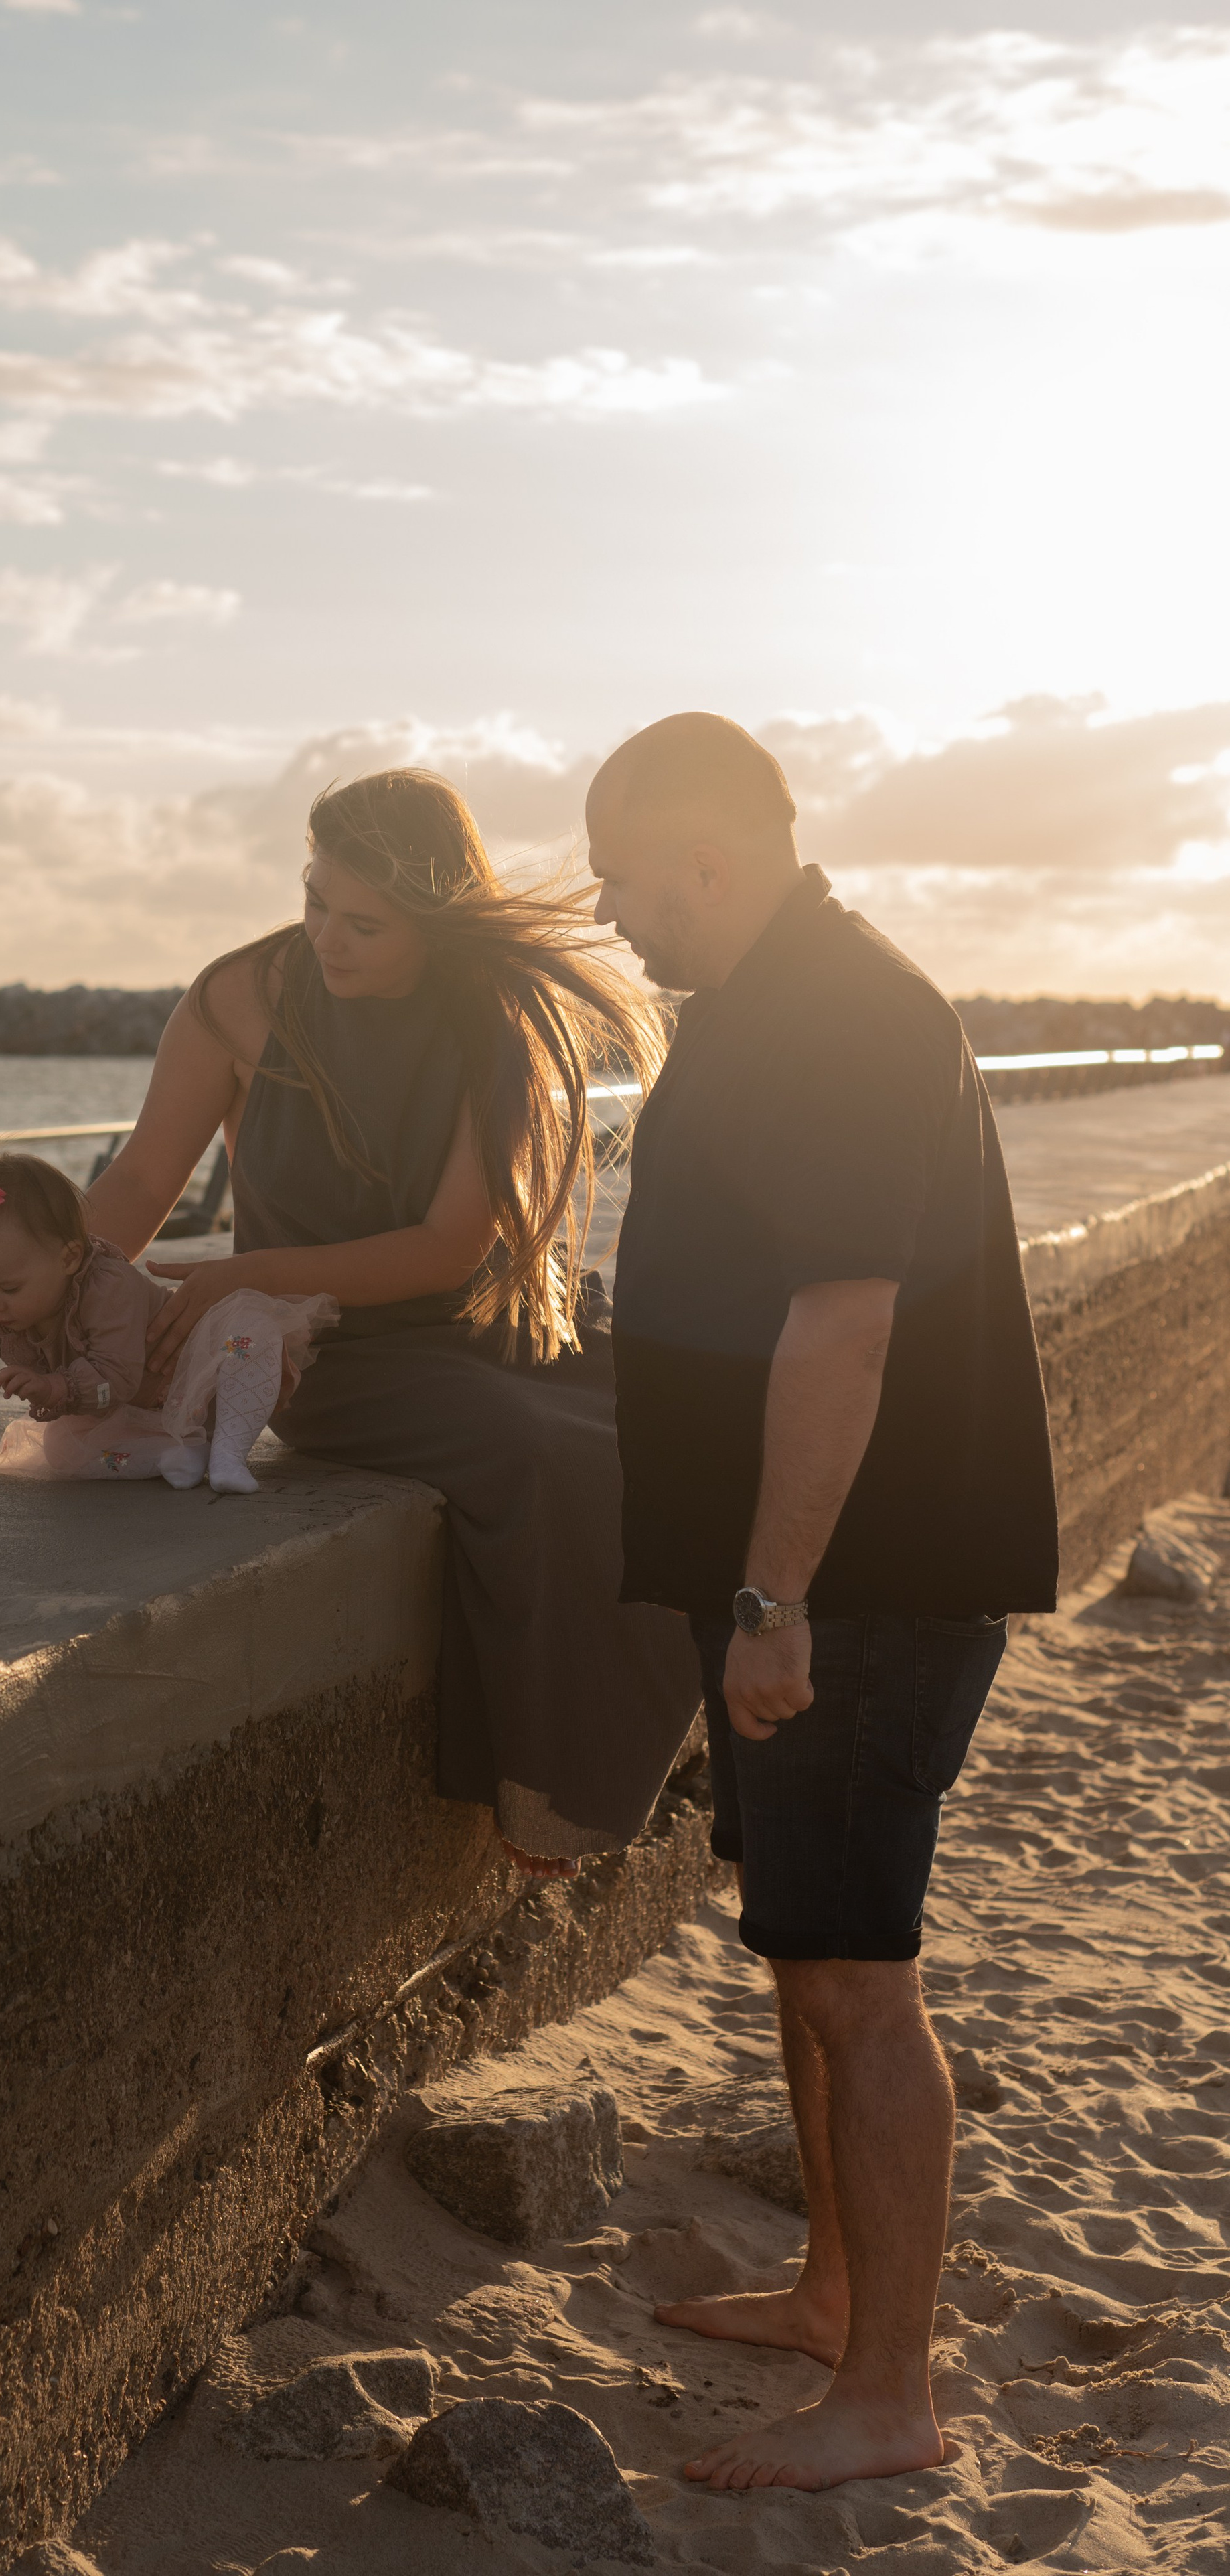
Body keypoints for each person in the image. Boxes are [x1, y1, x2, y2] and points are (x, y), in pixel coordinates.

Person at [592, 713, 1057, 2491]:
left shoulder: (846, 1009)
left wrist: (778, 1588)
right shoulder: (775, 999)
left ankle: (887, 2393)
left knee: (861, 1978)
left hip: (860, 1584)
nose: (615, 910)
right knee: (806, 1950)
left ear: (705, 858)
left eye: (625, 875)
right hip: (796, 1582)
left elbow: (845, 1321)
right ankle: (831, 2289)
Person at [82, 768, 703, 1874]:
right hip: (328, 1352)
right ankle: (546, 1788)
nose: (327, 935)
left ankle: (642, 1766)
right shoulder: (239, 996)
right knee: (542, 1455)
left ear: (435, 918)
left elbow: (449, 1246)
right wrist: (53, 1301)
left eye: (365, 920)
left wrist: (235, 1270)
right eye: (316, 898)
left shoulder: (493, 1014)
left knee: (676, 1433)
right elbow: (137, 1183)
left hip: (484, 1330)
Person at [0, 1150, 333, 1497]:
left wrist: (54, 1386)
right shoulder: (0, 1313)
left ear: (70, 1256)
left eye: (7, 1289)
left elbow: (117, 1375)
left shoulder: (107, 1285)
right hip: (137, 1414)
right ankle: (174, 1457)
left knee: (251, 1330)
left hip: (196, 1381)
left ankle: (228, 1453)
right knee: (64, 1453)